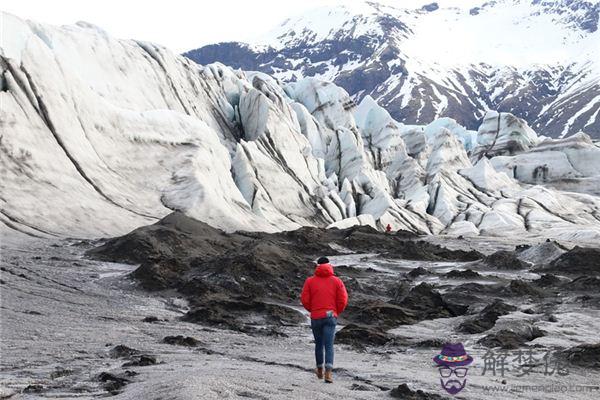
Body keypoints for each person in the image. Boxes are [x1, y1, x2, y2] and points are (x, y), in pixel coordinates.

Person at [300, 256, 348, 383]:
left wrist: (313, 310)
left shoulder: (310, 281)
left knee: (319, 344)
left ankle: (319, 370)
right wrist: (336, 311)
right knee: (329, 345)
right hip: (330, 316)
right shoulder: (337, 281)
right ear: (329, 266)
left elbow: (304, 299)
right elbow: (343, 299)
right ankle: (328, 374)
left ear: (317, 266)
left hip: (316, 316)